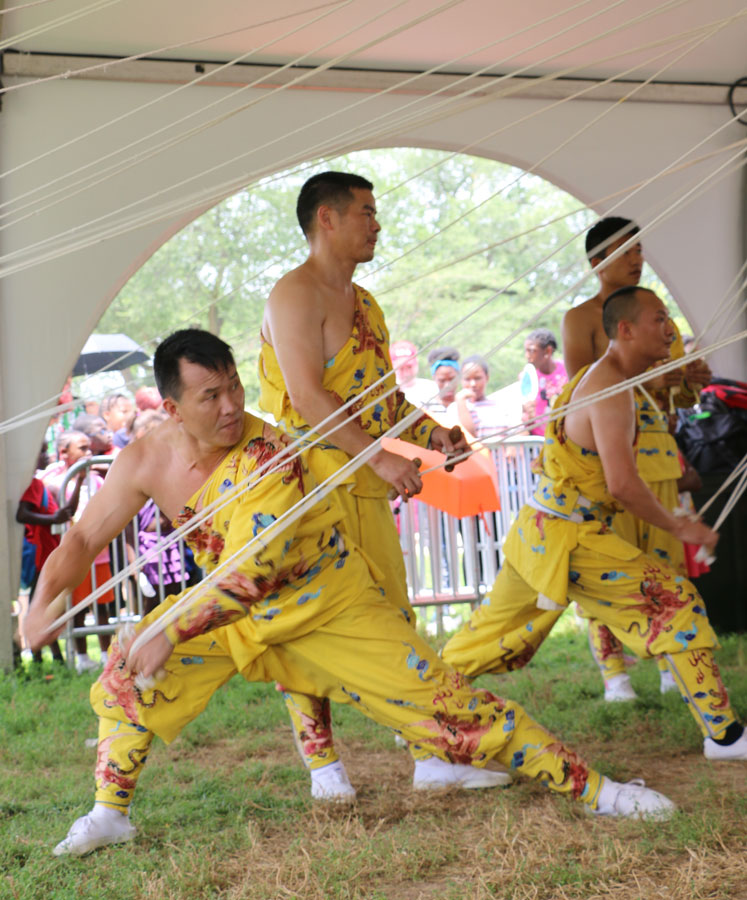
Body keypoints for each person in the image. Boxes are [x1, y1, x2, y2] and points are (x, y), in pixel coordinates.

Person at [25, 329, 678, 857]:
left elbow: (258, 569)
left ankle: (599, 791)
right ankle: (110, 814)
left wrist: (169, 629)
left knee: (451, 713)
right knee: (121, 677)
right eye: (209, 396)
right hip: (232, 615)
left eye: (234, 388)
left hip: (324, 604)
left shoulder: (268, 453)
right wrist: (39, 607)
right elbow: (82, 539)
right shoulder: (145, 455)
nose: (230, 407)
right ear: (170, 407)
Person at [259, 171, 497, 799]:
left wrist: (433, 431)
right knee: (305, 624)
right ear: (326, 219)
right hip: (303, 489)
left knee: (394, 619)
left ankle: (432, 755)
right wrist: (383, 460)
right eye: (366, 210)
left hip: (360, 484)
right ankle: (324, 769)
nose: (377, 223)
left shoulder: (367, 304)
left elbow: (381, 399)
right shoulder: (292, 293)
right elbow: (309, 398)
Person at [442, 287, 747, 762]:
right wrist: (680, 526)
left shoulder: (608, 379)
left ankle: (420, 709)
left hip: (541, 529)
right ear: (625, 330)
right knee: (677, 603)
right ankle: (725, 737)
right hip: (568, 534)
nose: (670, 328)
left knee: (491, 636)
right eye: (658, 318)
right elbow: (623, 484)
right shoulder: (610, 387)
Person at [562, 217, 711, 700]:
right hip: (610, 458)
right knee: (611, 565)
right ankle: (614, 674)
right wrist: (652, 382)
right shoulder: (580, 319)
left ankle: (672, 665)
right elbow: (576, 391)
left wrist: (691, 380)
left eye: (639, 248)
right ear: (596, 262)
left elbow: (683, 403)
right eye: (624, 249)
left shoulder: (656, 315)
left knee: (668, 568)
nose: (636, 257)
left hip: (659, 456)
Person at [41, 430, 114, 671]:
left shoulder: (98, 480)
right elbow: (65, 509)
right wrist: (79, 479)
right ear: (64, 452)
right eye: (82, 448)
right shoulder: (56, 480)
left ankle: (106, 653)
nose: (89, 453)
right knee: (78, 607)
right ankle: (82, 658)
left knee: (102, 605)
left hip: (99, 554)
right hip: (74, 557)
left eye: (89, 448)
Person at [16, 447, 85, 665]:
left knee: (47, 604)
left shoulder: (41, 485)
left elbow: (65, 513)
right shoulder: (31, 485)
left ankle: (55, 656)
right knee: (41, 604)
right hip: (39, 555)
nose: (46, 456)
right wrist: (52, 519)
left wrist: (79, 482)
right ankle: (39, 657)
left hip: (49, 553)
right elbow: (22, 513)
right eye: (41, 451)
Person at [522, 328, 568, 436]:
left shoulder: (566, 372)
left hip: (565, 436)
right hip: (539, 442)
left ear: (548, 351)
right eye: (526, 351)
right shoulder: (527, 377)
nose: (527, 356)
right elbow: (524, 416)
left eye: (532, 351)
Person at [389, 340, 435, 407]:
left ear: (417, 363)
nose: (406, 373)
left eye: (409, 367)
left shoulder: (432, 388)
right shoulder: (389, 393)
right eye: (401, 368)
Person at [425, 347, 460, 417]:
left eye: (452, 379)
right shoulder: (427, 409)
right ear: (434, 378)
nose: (447, 385)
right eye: (442, 380)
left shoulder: (467, 404)